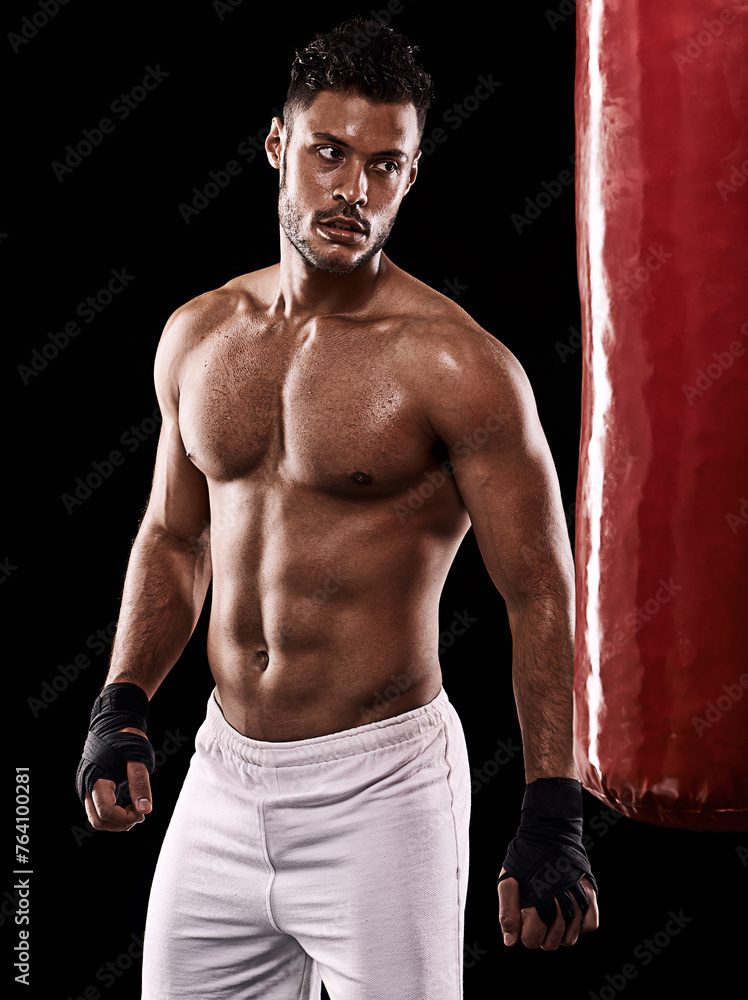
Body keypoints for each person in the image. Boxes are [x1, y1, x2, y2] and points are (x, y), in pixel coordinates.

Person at [76, 16, 598, 999]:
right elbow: (174, 534)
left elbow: (539, 591)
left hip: (382, 789)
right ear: (278, 145)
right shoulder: (198, 335)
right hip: (223, 774)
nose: (353, 189)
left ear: (411, 174)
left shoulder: (456, 365)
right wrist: (124, 699)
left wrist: (552, 807)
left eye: (384, 165)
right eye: (328, 153)